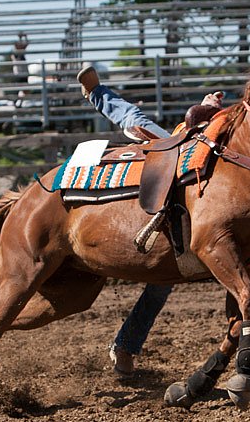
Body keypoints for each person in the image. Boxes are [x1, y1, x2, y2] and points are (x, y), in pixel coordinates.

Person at [76, 65, 223, 375]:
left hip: (196, 173)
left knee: (161, 285)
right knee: (137, 124)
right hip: (184, 153)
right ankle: (96, 93)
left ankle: (126, 346)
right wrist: (207, 108)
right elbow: (194, 119)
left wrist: (208, 108)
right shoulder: (217, 130)